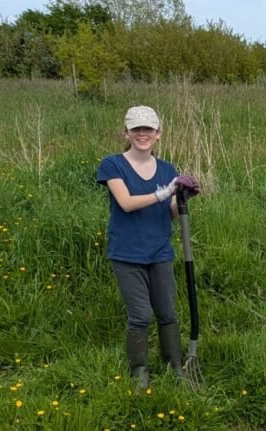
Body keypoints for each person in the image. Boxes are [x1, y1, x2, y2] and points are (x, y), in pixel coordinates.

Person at [96, 105, 199, 390]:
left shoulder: (167, 169)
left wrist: (182, 198)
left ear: (158, 134)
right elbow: (127, 203)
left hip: (160, 252)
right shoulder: (112, 164)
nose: (142, 134)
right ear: (126, 132)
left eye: (148, 129)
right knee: (140, 315)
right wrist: (164, 191)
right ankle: (139, 370)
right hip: (127, 254)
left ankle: (175, 365)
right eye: (136, 129)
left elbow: (169, 212)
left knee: (167, 312)